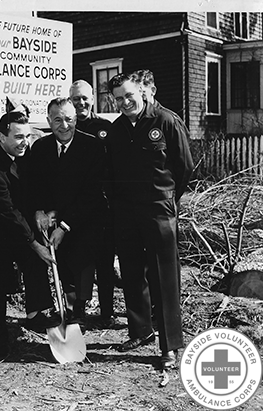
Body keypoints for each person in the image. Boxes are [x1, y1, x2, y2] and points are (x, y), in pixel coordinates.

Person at [106, 73, 193, 369]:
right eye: (118, 98)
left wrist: (167, 198)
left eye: (129, 95)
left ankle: (169, 345)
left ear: (142, 92)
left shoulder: (166, 121)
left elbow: (184, 167)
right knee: (131, 273)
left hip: (159, 210)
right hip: (126, 212)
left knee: (164, 278)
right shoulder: (116, 130)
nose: (125, 102)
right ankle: (140, 330)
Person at [0, 109, 57, 356]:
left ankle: (35, 314)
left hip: (19, 224)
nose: (24, 142)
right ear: (1, 136)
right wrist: (34, 242)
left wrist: (41, 210)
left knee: (35, 264)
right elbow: (6, 211)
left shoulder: (25, 155)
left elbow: (35, 186)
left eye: (27, 136)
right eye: (18, 137)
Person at [28, 97, 107, 332]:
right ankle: (66, 311)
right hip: (53, 219)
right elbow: (36, 186)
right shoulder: (40, 148)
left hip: (85, 220)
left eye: (69, 119)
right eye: (58, 120)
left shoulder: (92, 147)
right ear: (48, 121)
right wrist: (40, 211)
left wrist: (64, 225)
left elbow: (92, 193)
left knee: (81, 264)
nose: (64, 126)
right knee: (61, 265)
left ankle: (78, 313)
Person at [69, 79, 117, 329]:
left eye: (84, 98)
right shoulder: (68, 127)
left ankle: (107, 312)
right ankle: (79, 311)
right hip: (79, 208)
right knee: (81, 262)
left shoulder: (104, 127)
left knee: (105, 262)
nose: (81, 103)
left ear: (92, 99)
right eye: (76, 98)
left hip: (104, 207)